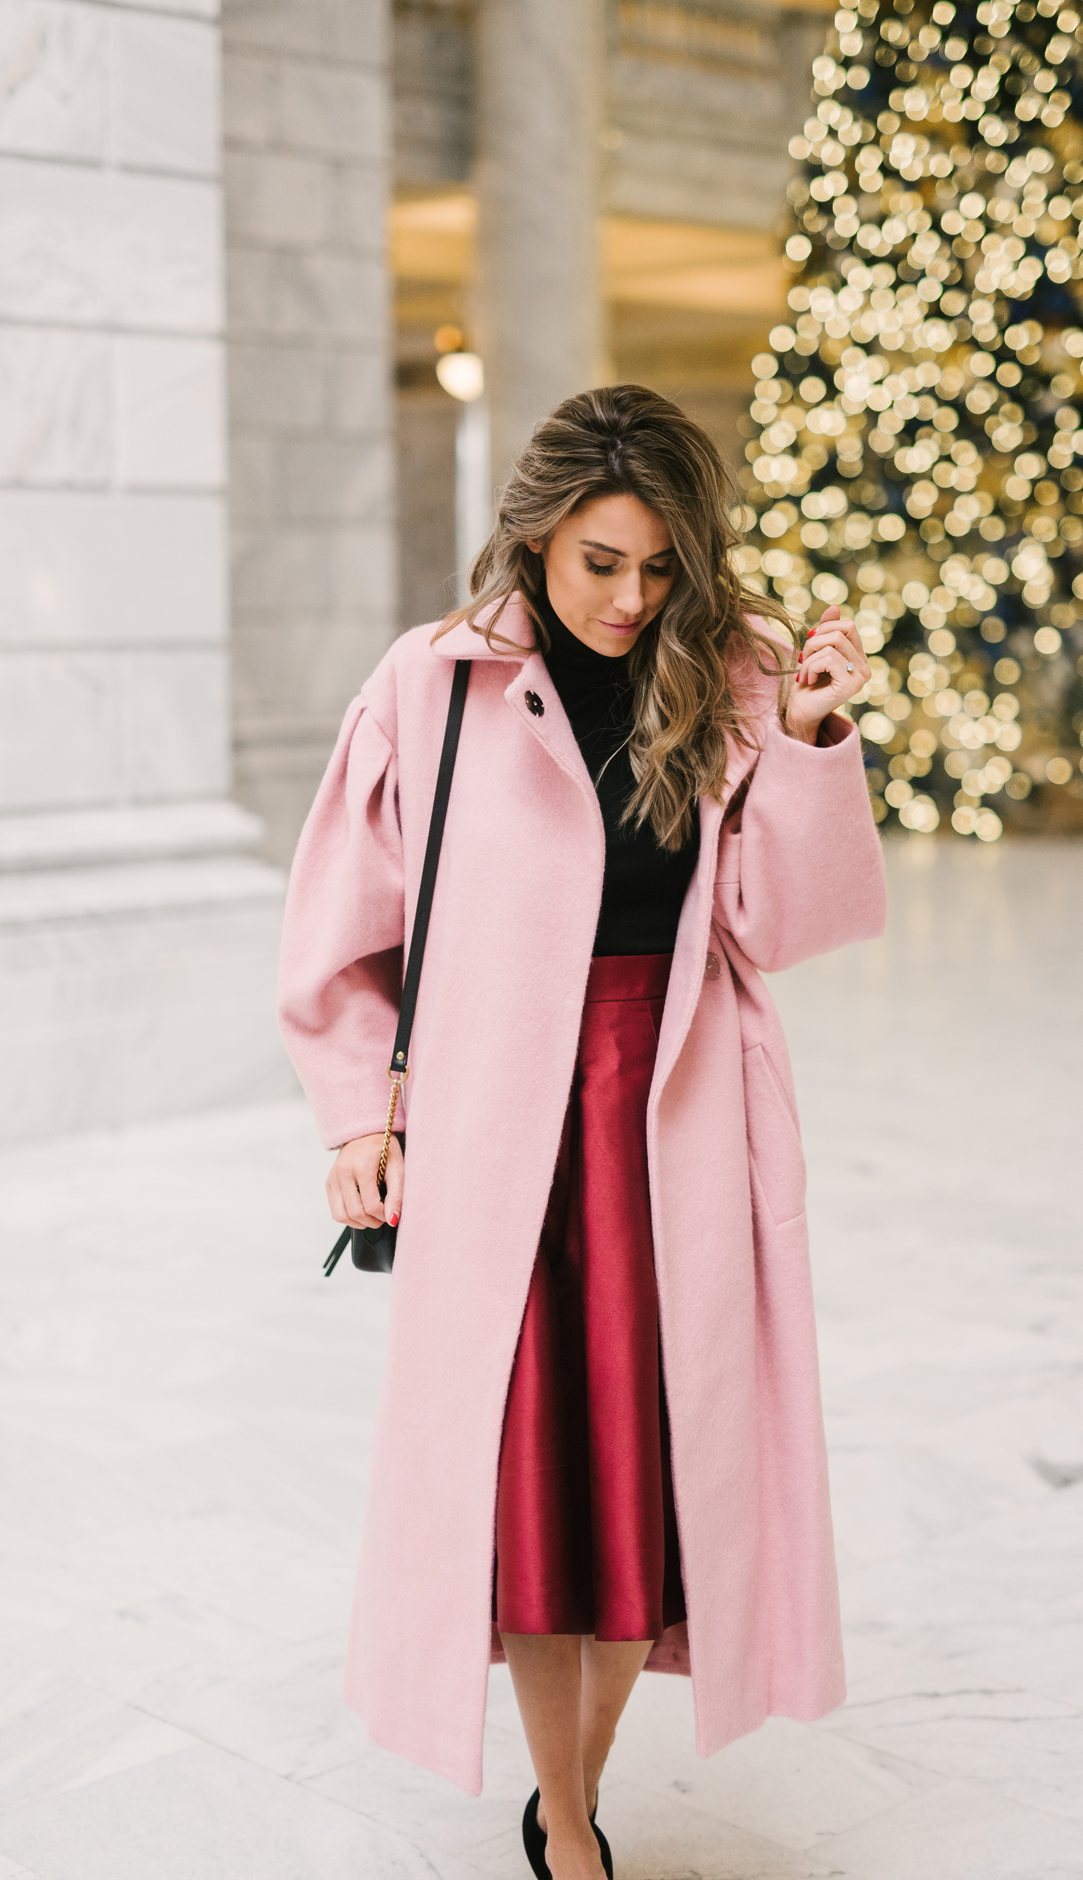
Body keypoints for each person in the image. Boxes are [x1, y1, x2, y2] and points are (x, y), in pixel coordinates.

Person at [278, 384, 887, 1880]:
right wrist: (359, 1111)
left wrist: (809, 742)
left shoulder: (738, 675)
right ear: (538, 536)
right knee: (535, 1494)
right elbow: (338, 930)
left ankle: (576, 1791)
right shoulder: (432, 685)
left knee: (651, 1489)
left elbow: (785, 927)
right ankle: (565, 1815)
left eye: (661, 565)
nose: (631, 596)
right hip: (499, 1128)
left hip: (671, 1118)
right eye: (600, 561)